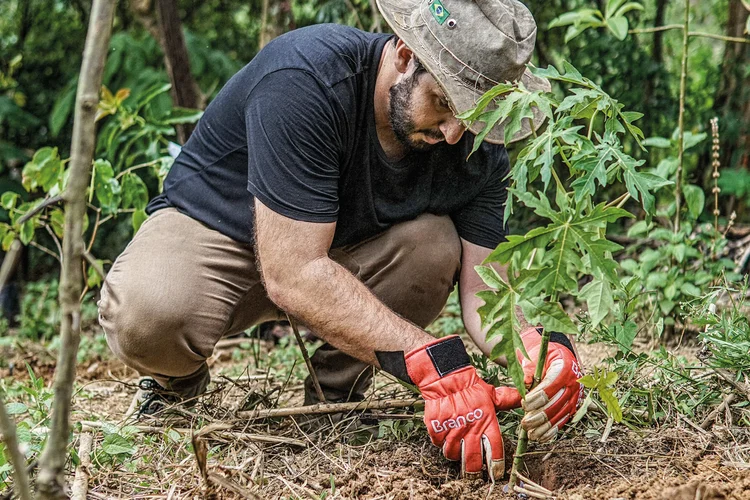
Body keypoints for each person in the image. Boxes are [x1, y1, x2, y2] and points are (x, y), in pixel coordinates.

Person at [98, 0, 583, 480]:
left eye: (475, 116)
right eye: (444, 103)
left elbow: (484, 292)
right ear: (404, 55)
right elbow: (294, 273)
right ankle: (174, 387)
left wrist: (536, 349)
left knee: (433, 246)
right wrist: (432, 363)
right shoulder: (306, 77)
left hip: (341, 252)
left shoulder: (478, 145)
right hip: (222, 233)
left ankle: (336, 403)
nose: (455, 133)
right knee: (147, 311)